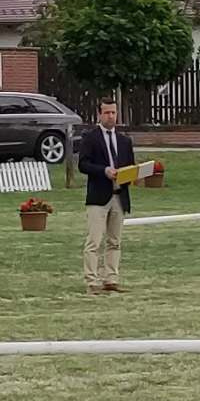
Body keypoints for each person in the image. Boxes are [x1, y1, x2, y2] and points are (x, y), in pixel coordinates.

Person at [78, 97, 135, 295]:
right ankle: (91, 281)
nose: (111, 116)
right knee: (94, 240)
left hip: (119, 195)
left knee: (115, 241)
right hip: (98, 196)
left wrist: (134, 175)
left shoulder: (124, 140)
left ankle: (111, 279)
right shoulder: (91, 137)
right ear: (99, 114)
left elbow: (130, 165)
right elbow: (83, 164)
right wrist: (104, 171)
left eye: (113, 112)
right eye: (107, 113)